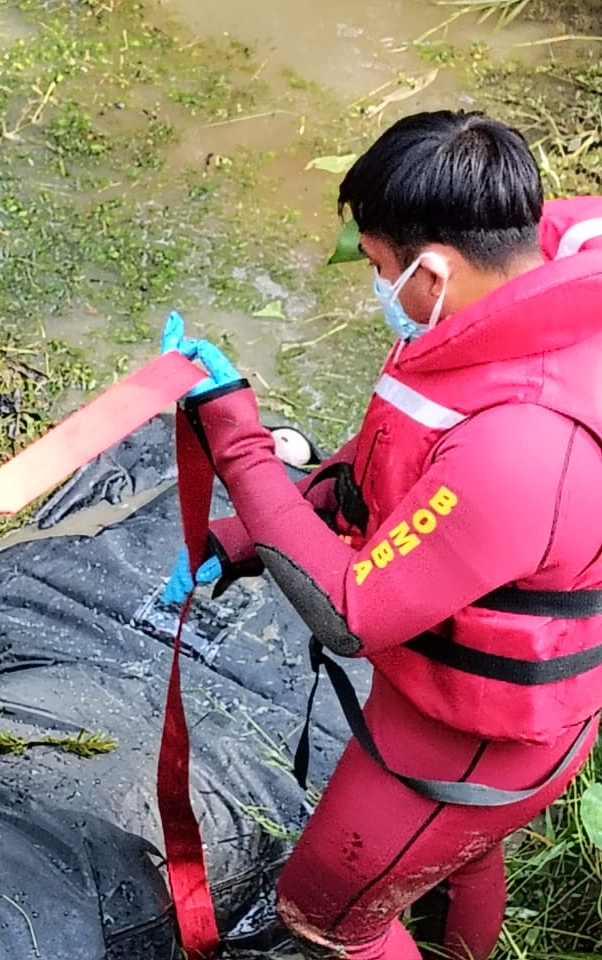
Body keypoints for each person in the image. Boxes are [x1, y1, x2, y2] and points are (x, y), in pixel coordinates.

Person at [164, 110, 602, 960]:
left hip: (475, 740)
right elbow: (383, 470)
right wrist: (242, 540)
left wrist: (240, 444)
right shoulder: (508, 307)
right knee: (458, 859)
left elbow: (350, 615)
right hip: (496, 706)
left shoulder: (524, 442)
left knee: (326, 914)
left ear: (432, 271)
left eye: (377, 267)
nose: (375, 288)